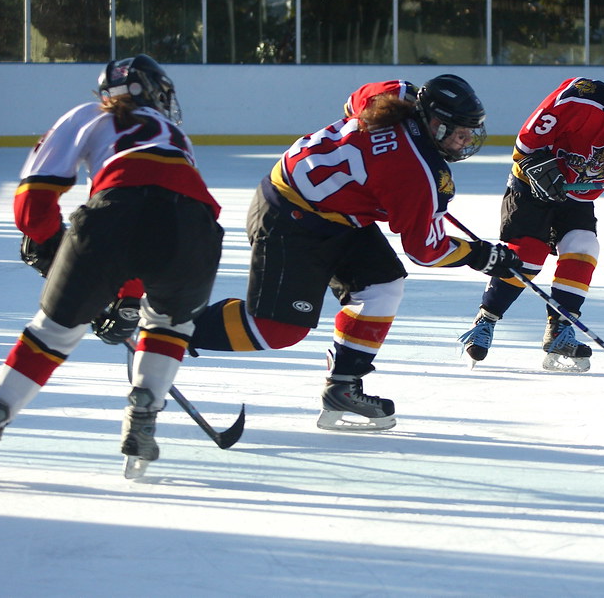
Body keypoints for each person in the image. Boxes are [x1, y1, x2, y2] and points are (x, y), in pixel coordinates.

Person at [187, 75, 521, 431]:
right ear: (435, 124)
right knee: (277, 330)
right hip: (289, 214)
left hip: (336, 212)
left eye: (471, 132)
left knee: (383, 287)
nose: (467, 140)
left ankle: (342, 386)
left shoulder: (398, 93)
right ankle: (172, 326)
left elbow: (353, 105)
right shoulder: (419, 173)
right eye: (459, 132)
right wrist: (480, 255)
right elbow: (425, 251)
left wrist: (384, 173)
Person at [0, 54, 224, 481]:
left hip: (115, 216)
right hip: (196, 228)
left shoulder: (87, 116)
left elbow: (33, 204)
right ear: (151, 90)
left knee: (53, 333)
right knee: (169, 325)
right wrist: (129, 297)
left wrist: (51, 247)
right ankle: (144, 414)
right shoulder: (175, 134)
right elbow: (158, 222)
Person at [458, 46, 604, 372]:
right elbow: (528, 141)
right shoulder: (580, 96)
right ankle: (486, 320)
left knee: (584, 247)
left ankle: (560, 329)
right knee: (527, 256)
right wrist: (537, 166)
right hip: (531, 191)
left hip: (579, 198)